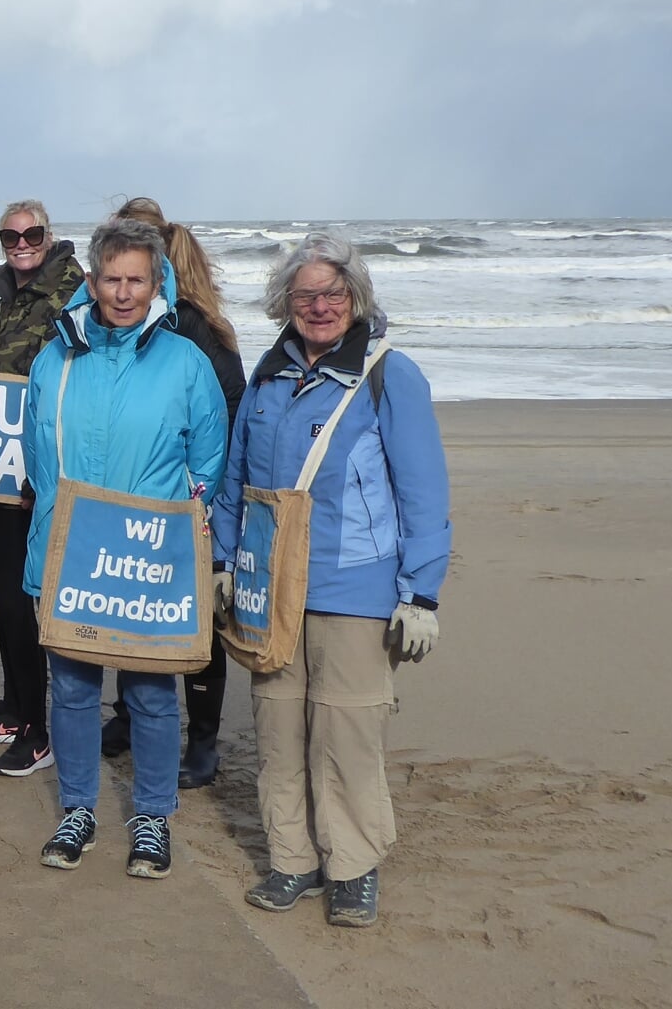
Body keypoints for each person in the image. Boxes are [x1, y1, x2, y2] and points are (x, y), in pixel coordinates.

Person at [210, 233, 450, 928]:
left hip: (355, 589)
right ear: (285, 301)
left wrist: (421, 593)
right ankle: (292, 860)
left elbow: (424, 491)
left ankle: (351, 866)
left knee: (346, 733)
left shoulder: (387, 374)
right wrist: (226, 562)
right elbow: (237, 481)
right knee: (278, 730)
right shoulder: (269, 373)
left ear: (357, 298)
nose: (319, 306)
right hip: (269, 586)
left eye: (333, 293)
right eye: (305, 294)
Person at [23, 219, 226, 879]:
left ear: (156, 281)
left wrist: (174, 528)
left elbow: (208, 461)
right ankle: (78, 807)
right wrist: (56, 528)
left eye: (136, 278)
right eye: (111, 277)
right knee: (74, 687)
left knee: (151, 692)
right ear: (92, 279)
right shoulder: (56, 357)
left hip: (147, 558)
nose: (122, 291)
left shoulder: (186, 362)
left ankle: (151, 817)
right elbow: (37, 456)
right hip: (72, 549)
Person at [99, 197, 247, 788]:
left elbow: (228, 411)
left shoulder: (193, 328)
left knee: (196, 622)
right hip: (135, 502)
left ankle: (204, 739)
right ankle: (130, 716)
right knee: (135, 608)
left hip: (193, 502)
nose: (124, 286)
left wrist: (201, 492)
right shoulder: (121, 324)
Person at [0, 198, 85, 777]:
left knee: (24, 603)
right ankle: (12, 708)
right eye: (10, 236)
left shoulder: (72, 297)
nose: (21, 242)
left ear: (49, 235)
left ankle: (36, 729)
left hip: (35, 480)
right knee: (5, 600)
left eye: (31, 233)